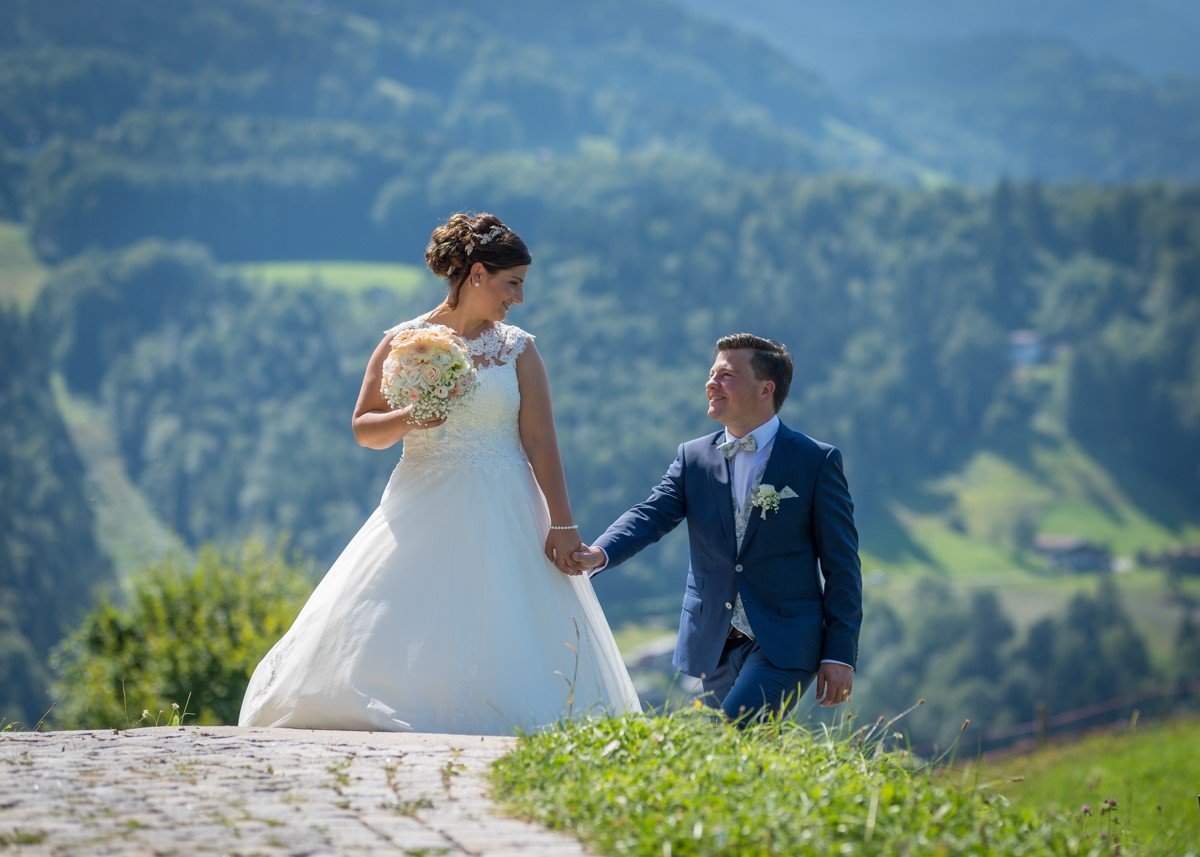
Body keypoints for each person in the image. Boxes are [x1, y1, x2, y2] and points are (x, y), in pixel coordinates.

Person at [239, 212, 640, 734]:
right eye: (512, 283)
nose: (519, 298)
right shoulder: (403, 343)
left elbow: (541, 441)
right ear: (477, 274)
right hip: (421, 499)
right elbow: (364, 429)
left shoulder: (519, 349)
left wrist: (562, 523)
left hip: (507, 505)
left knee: (505, 616)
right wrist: (411, 417)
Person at [572, 334, 862, 725]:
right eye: (712, 374)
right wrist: (599, 553)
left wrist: (840, 654)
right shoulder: (693, 457)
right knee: (738, 749)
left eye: (726, 376)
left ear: (765, 389)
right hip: (714, 641)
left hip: (786, 641)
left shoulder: (816, 461)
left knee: (731, 733)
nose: (711, 384)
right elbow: (652, 514)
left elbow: (843, 566)